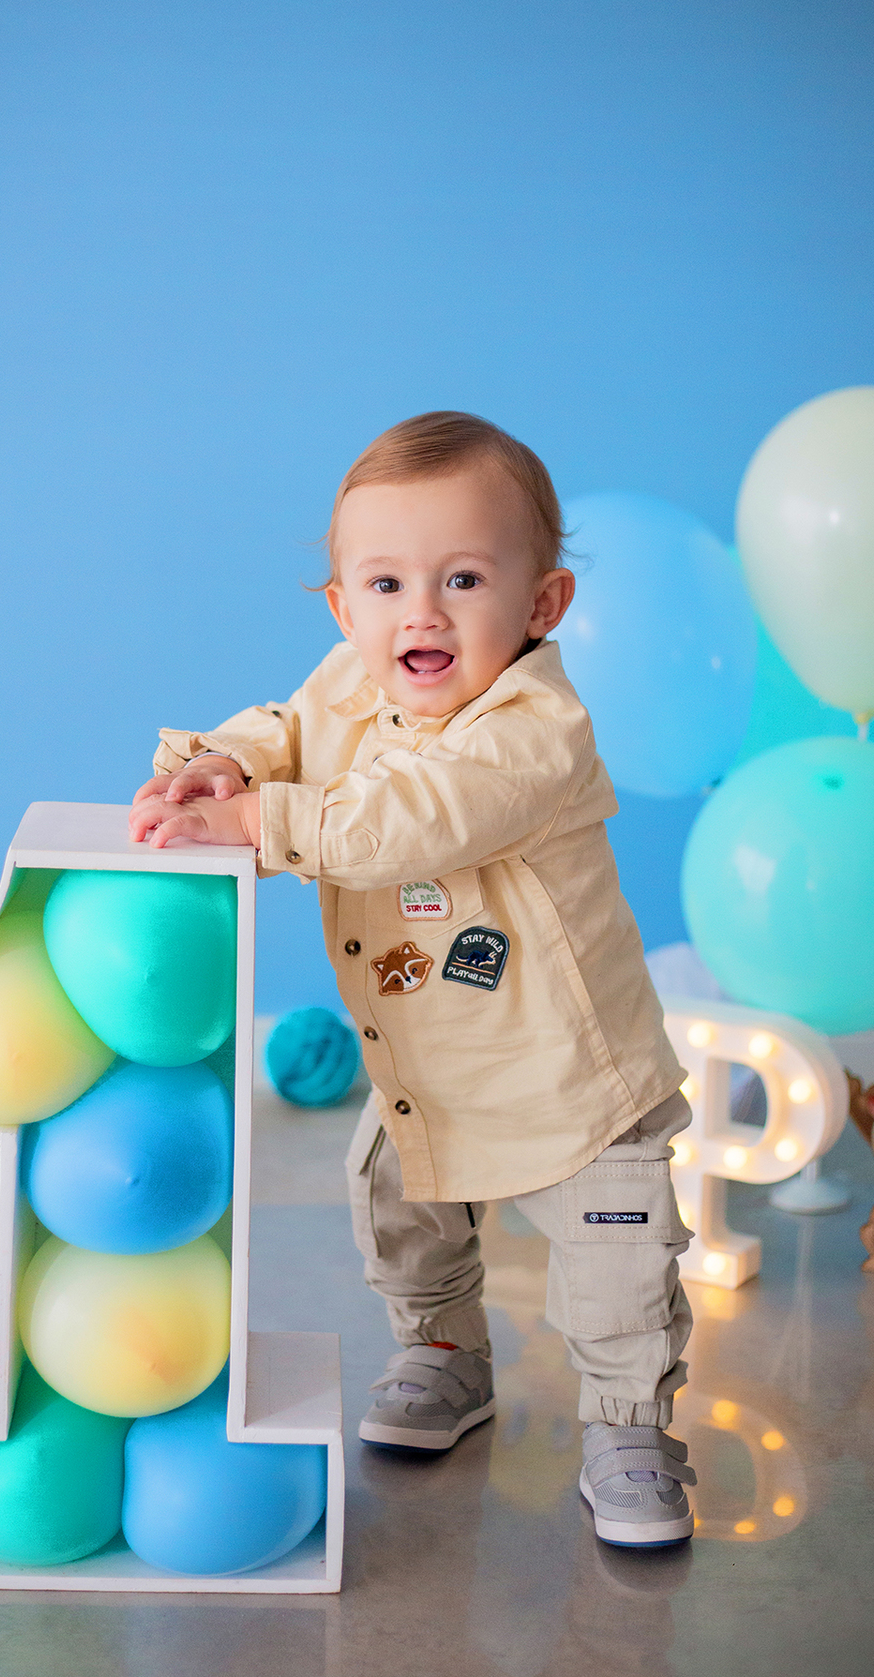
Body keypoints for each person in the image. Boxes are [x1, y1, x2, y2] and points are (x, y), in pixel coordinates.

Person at [128, 410, 697, 1549]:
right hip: (428, 1063)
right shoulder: (350, 677)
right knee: (402, 1215)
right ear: (343, 607)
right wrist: (223, 762)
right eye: (384, 585)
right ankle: (444, 1354)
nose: (421, 613)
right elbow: (288, 725)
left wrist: (255, 821)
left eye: (464, 579)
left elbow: (408, 820)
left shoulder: (536, 727)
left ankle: (629, 1424)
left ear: (543, 607)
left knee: (616, 1264)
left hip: (572, 1077)